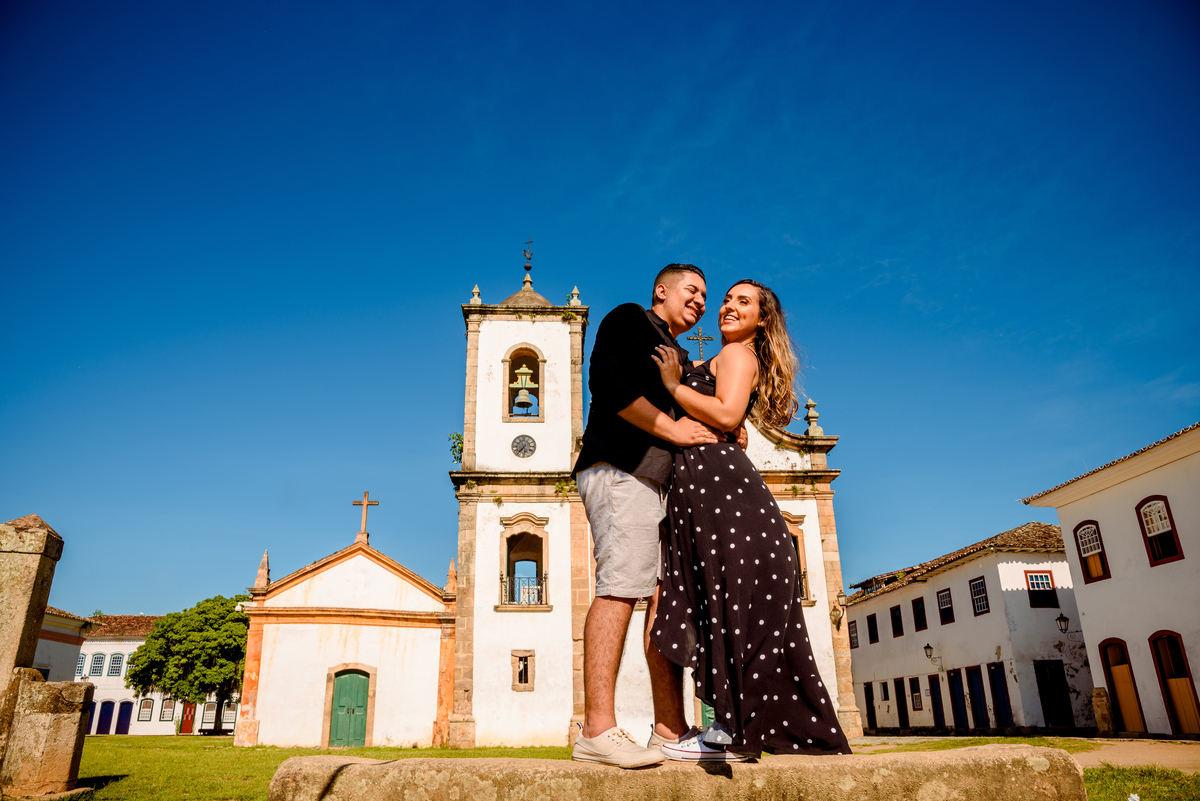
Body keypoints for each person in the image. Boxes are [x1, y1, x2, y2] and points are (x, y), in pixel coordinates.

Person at [649, 279, 850, 760]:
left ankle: (735, 730)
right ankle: (735, 727)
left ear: (762, 320)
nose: (728, 307)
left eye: (744, 302)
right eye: (727, 299)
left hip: (726, 497)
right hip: (708, 495)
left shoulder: (738, 355)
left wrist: (675, 385)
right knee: (726, 607)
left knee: (733, 608)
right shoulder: (715, 360)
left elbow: (726, 411)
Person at [569, 264, 721, 768]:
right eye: (691, 290)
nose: (700, 301)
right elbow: (609, 384)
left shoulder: (675, 353)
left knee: (664, 602)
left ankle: (669, 729)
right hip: (622, 469)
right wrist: (673, 431)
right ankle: (597, 730)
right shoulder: (631, 319)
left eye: (705, 295)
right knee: (620, 586)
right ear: (662, 290)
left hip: (658, 484)